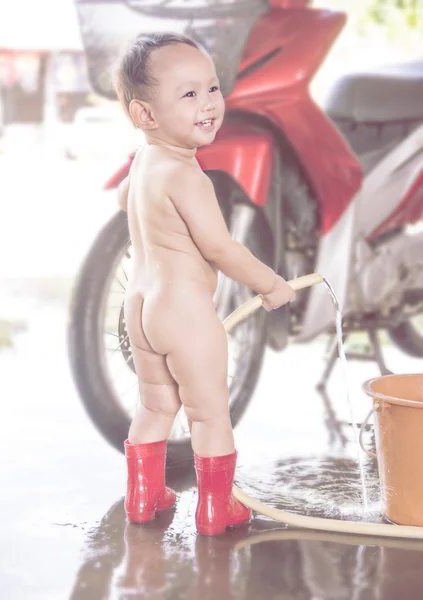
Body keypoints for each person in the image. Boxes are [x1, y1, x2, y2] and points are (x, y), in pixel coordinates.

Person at [114, 32, 295, 536]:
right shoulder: (190, 177)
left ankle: (143, 496)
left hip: (141, 305)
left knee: (154, 405)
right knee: (209, 415)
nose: (209, 104)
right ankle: (217, 510)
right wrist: (270, 284)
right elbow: (221, 248)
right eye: (188, 95)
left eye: (212, 88)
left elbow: (124, 200)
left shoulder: (145, 161)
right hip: (185, 312)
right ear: (145, 115)